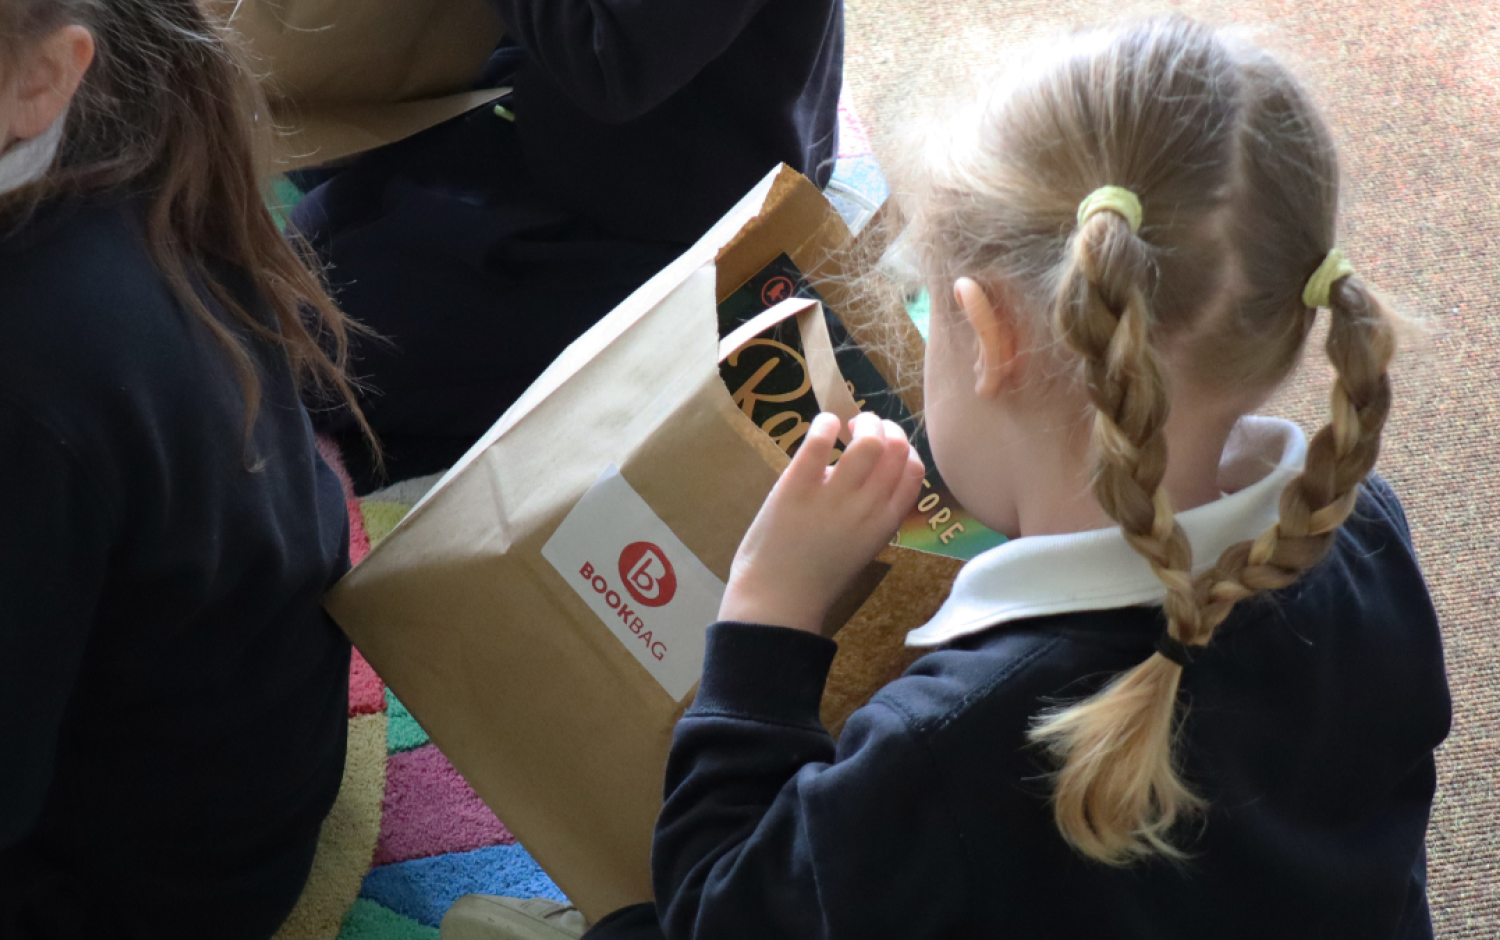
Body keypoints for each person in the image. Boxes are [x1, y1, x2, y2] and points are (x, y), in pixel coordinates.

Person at [441, 16, 1451, 940]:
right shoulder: (1368, 535)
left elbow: (727, 909)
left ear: (988, 333)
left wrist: (765, 620)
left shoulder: (946, 741)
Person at [0, 1, 373, 936]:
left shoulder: (30, 377)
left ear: (44, 75)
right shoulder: (109, 122)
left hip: (126, 884)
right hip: (222, 766)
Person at [292, 0, 846, 491]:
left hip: (675, 224)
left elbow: (611, 61)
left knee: (311, 340)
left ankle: (630, 389)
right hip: (566, 132)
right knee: (307, 201)